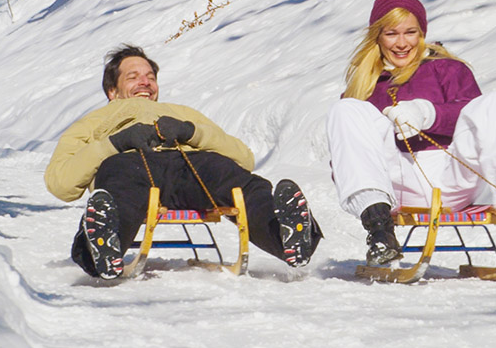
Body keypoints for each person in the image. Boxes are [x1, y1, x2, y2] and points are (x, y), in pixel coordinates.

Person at [325, 0, 496, 266]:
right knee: (345, 109)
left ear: (421, 32)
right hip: (398, 182)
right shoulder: (365, 84)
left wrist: (427, 113)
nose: (402, 43)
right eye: (391, 33)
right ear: (378, 36)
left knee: (495, 103)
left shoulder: (446, 69)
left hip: (454, 175)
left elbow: (477, 118)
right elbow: (347, 157)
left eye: (410, 32)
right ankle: (380, 234)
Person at [46, 44, 320, 279]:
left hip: (191, 166)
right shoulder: (92, 123)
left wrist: (191, 131)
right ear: (112, 91)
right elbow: (61, 183)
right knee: (119, 185)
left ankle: (290, 240)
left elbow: (244, 157)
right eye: (133, 76)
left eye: (150, 76)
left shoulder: (181, 113)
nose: (145, 82)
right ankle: (102, 250)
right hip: (131, 166)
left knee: (241, 182)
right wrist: (116, 143)